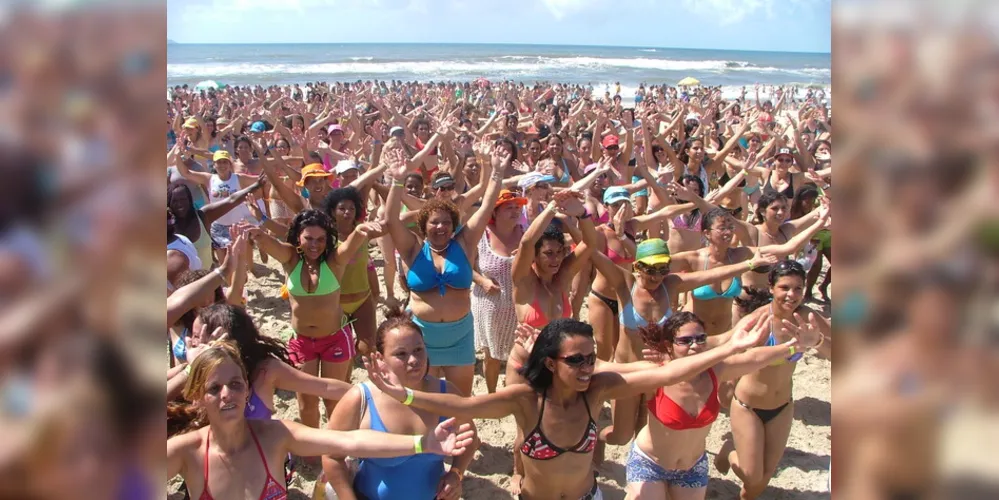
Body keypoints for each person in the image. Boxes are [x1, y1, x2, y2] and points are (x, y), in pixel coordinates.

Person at [362, 317, 773, 500]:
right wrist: (407, 396)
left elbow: (665, 373)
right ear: (550, 363)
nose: (587, 368)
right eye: (576, 360)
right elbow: (464, 404)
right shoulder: (524, 401)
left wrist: (730, 347)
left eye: (591, 358)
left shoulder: (597, 390)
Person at [167, 341, 476, 500]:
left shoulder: (275, 435)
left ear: (248, 390)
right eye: (213, 388)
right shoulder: (185, 452)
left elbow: (350, 440)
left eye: (235, 384)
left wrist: (422, 443)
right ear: (196, 396)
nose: (226, 394)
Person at [623, 311, 812, 500]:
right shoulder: (658, 373)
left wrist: (797, 346)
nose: (694, 345)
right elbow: (614, 375)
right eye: (685, 340)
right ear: (669, 346)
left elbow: (755, 357)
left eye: (700, 339)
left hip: (692, 467)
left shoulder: (717, 371)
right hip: (650, 463)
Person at [382, 140, 504, 396]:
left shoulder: (465, 242)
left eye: (447, 223)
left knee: (461, 401)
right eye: (434, 223)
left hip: (460, 336)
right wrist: (397, 181)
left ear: (454, 225)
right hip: (420, 340)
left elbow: (487, 205)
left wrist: (497, 171)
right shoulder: (413, 249)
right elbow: (391, 219)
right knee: (426, 402)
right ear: (423, 226)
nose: (441, 228)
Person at [241, 210, 380, 429]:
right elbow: (270, 244)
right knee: (306, 403)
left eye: (321, 239)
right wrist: (257, 235)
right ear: (298, 237)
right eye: (309, 238)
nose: (315, 245)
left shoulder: (335, 261)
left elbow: (347, 247)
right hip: (302, 341)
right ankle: (311, 457)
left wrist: (359, 231)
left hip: (334, 338)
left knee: (334, 401)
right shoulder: (290, 258)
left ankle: (338, 447)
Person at [322, 310, 480, 500]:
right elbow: (331, 456)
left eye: (418, 350)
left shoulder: (446, 393)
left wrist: (456, 473)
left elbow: (471, 439)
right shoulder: (361, 399)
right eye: (401, 354)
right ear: (380, 359)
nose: (413, 360)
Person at [716, 261, 830, 500]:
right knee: (752, 474)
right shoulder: (758, 320)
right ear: (771, 288)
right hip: (749, 406)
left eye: (798, 288)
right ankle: (729, 452)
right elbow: (729, 350)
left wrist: (817, 342)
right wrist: (725, 386)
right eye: (785, 287)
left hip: (783, 407)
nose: (792, 295)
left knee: (761, 481)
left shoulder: (807, 318)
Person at [470, 189, 527, 394]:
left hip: (519, 305)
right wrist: (482, 280)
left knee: (520, 354)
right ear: (495, 212)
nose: (515, 211)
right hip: (489, 305)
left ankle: (515, 393)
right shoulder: (481, 235)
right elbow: (465, 266)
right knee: (491, 356)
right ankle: (492, 394)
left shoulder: (525, 232)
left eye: (517, 207)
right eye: (508, 207)